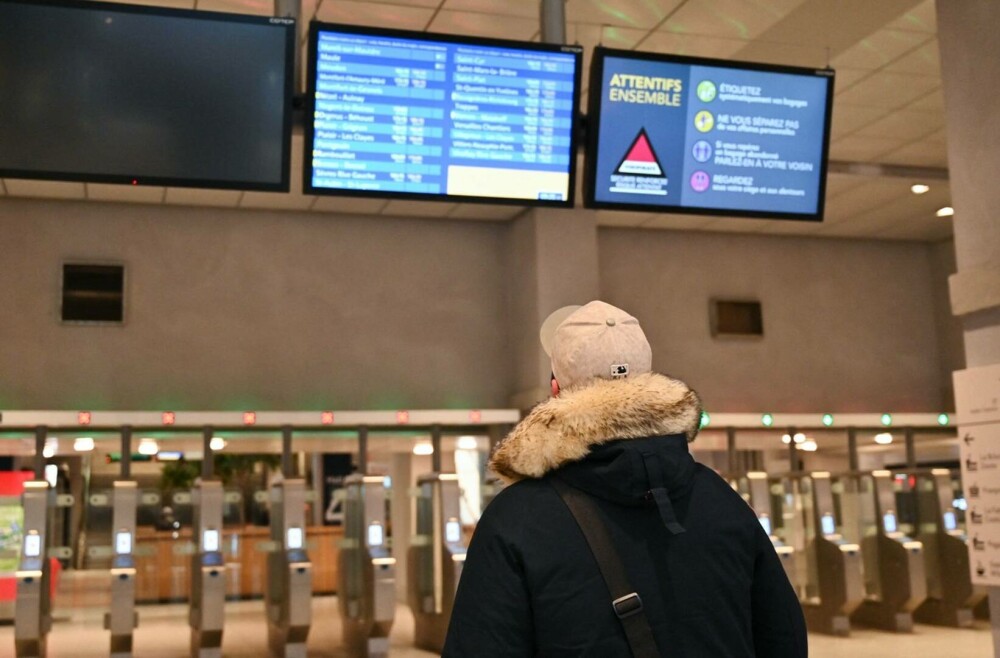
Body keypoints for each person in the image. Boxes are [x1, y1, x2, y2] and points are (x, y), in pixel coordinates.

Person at [442, 300, 806, 657]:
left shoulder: (515, 521)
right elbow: (783, 636)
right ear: (649, 386)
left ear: (555, 391)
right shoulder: (720, 499)